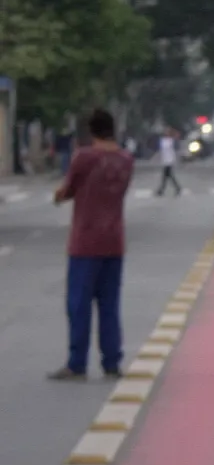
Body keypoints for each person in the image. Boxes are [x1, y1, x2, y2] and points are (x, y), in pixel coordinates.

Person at [49, 108, 133, 382]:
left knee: (79, 305)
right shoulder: (125, 159)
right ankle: (111, 362)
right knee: (109, 305)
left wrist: (58, 196)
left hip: (85, 242)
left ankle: (77, 363)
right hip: (114, 241)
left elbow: (68, 190)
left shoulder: (85, 157)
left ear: (91, 131)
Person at [156, 127, 180, 195]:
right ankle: (177, 188)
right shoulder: (163, 140)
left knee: (166, 176)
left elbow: (176, 148)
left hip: (170, 160)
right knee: (168, 176)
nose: (166, 133)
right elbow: (160, 150)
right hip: (165, 160)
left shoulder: (172, 141)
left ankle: (161, 190)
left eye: (167, 132)